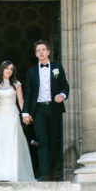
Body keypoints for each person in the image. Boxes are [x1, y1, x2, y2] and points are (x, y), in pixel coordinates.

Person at [22, 39, 69, 181]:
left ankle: (54, 171)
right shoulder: (31, 72)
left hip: (54, 108)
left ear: (48, 52)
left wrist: (62, 95)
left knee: (53, 141)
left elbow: (65, 86)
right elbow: (28, 93)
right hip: (39, 109)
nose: (41, 52)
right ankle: (44, 174)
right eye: (38, 50)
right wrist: (25, 112)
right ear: (36, 54)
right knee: (42, 141)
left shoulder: (57, 68)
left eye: (43, 49)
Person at [0, 60, 35, 182]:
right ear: (2, 69)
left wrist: (25, 115)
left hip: (12, 115)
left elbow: (21, 101)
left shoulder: (16, 84)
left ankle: (12, 174)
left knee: (12, 143)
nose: (9, 71)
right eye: (7, 68)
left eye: (11, 69)